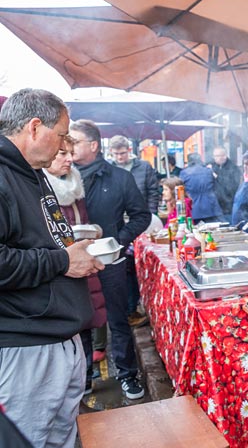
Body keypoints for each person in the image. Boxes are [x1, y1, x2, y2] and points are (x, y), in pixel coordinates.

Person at [0, 89, 104, 447]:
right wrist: (63, 260)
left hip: (60, 336)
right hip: (28, 344)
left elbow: (36, 239)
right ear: (33, 127)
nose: (65, 145)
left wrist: (73, 250)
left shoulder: (33, 172)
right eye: (61, 134)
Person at [70, 119, 151, 400]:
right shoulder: (60, 177)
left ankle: (127, 374)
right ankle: (85, 379)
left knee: (117, 320)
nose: (68, 146)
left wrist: (119, 239)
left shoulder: (119, 178)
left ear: (93, 145)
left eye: (75, 141)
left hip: (110, 261)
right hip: (74, 264)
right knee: (81, 322)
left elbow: (142, 215)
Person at [44, 144, 107, 396]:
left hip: (83, 263)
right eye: (62, 152)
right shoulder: (41, 188)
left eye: (71, 152)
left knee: (87, 320)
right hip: (59, 270)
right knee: (71, 327)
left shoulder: (75, 182)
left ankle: (86, 379)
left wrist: (93, 231)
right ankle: (72, 385)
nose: (70, 158)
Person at [108, 135, 160, 327]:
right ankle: (131, 308)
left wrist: (151, 215)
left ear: (129, 151)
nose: (120, 157)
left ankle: (143, 303)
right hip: (122, 225)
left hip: (142, 220)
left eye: (122, 153)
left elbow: (153, 191)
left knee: (145, 263)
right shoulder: (109, 169)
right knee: (128, 267)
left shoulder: (143, 167)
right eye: (116, 154)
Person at [180, 152, 224, 223]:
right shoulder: (208, 171)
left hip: (194, 208)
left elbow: (181, 190)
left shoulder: (184, 173)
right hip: (211, 207)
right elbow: (216, 187)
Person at [208, 146, 242, 218]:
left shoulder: (233, 167)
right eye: (217, 156)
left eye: (222, 155)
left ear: (225, 156)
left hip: (228, 205)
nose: (219, 158)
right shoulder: (211, 166)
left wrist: (216, 176)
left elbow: (232, 186)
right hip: (214, 206)